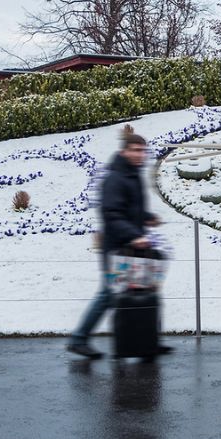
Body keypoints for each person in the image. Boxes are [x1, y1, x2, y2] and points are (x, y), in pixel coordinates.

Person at [67, 133, 171, 359]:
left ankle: (149, 341)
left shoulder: (132, 176)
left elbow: (129, 210)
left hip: (132, 249)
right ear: (124, 151)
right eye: (134, 150)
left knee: (147, 292)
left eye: (142, 150)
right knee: (108, 295)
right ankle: (79, 339)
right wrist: (134, 235)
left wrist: (147, 217)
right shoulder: (116, 178)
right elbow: (112, 214)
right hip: (117, 250)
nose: (139, 155)